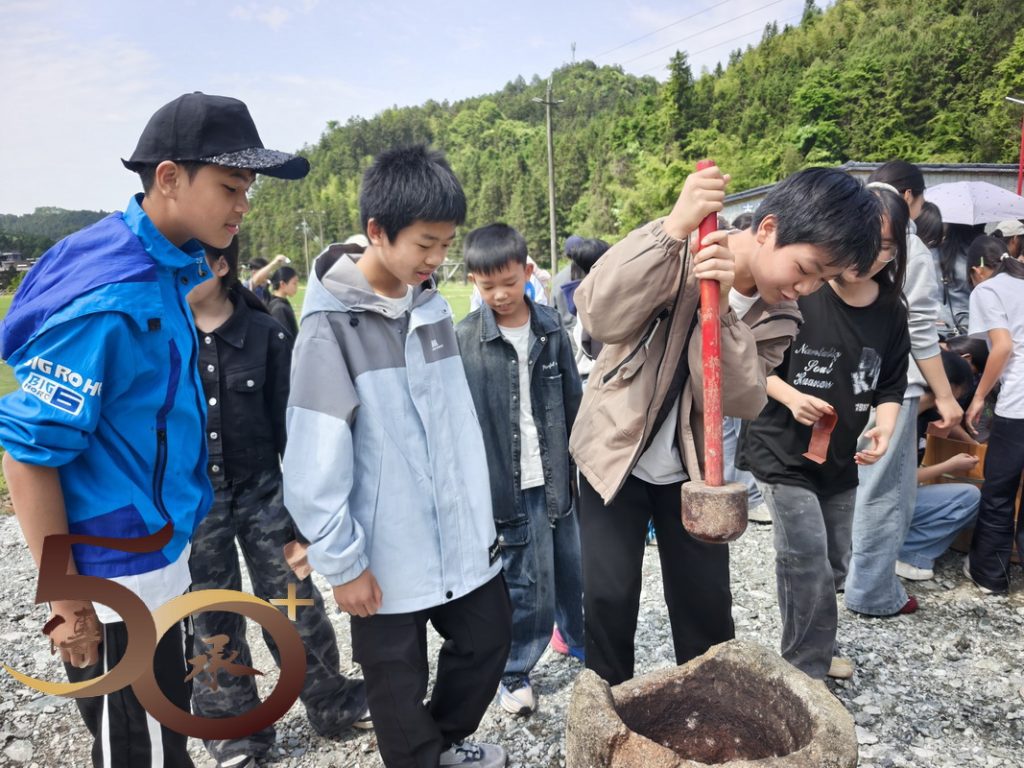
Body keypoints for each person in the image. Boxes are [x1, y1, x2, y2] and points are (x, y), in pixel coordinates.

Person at [0, 91, 309, 768]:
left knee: (164, 732)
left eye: (248, 189)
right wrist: (69, 600)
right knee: (137, 748)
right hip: (117, 575)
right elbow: (27, 454)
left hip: (157, 554)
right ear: (168, 178)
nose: (243, 205)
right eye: (230, 186)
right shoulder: (113, 296)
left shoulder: (165, 267)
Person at [571, 165, 882, 686]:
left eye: (823, 280)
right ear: (768, 229)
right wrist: (672, 229)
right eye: (806, 269)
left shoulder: (782, 316)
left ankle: (707, 713)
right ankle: (606, 712)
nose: (806, 288)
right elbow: (598, 317)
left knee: (706, 610)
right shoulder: (677, 245)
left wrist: (726, 309)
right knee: (608, 599)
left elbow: (740, 399)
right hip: (612, 456)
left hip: (698, 476)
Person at [282, 145, 512, 768]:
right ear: (377, 231)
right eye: (426, 244)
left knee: (489, 638)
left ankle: (440, 744)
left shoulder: (431, 305)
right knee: (395, 679)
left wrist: (481, 519)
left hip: (460, 537)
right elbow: (312, 464)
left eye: (446, 244)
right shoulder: (328, 330)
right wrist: (342, 563)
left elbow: (454, 426)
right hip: (382, 550)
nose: (437, 258)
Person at [186, 239, 368, 767]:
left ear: (221, 265)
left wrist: (308, 516)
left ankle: (331, 702)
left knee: (293, 604)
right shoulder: (166, 334)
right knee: (210, 616)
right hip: (198, 503)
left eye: (190, 264)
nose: (175, 274)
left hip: (266, 495)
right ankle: (234, 731)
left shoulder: (266, 333)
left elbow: (297, 431)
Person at [738, 186, 911, 680]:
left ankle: (813, 645)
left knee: (834, 562)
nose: (870, 257)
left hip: (839, 459)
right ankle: (804, 672)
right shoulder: (801, 291)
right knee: (805, 557)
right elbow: (752, 364)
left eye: (885, 247)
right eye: (862, 244)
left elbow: (891, 384)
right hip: (780, 450)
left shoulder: (890, 311)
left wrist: (884, 428)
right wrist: (792, 398)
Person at [455, 223, 584, 716]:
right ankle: (515, 670)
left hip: (556, 475)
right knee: (527, 581)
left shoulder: (550, 326)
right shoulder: (465, 339)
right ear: (473, 281)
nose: (500, 294)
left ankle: (576, 639)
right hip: (507, 483)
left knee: (571, 567)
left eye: (509, 282)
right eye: (487, 286)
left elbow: (573, 398)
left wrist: (580, 462)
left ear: (527, 272)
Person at [843, 167, 964, 619]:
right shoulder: (906, 243)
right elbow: (921, 330)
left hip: (845, 377)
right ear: (909, 195)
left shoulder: (847, 224)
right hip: (895, 385)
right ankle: (871, 590)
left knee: (853, 482)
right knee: (886, 492)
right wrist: (946, 397)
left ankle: (847, 574)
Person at [963, 235, 1024, 595]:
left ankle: (990, 575)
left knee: (1000, 489)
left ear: (977, 270)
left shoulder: (987, 290)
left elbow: (1002, 347)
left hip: (1019, 403)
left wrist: (978, 397)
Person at [897, 349, 981, 581]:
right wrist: (949, 465)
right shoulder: (902, 419)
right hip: (879, 502)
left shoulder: (914, 407)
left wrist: (973, 443)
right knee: (969, 498)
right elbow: (901, 478)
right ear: (948, 387)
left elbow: (950, 423)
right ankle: (908, 554)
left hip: (881, 500)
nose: (960, 399)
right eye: (960, 392)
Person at [267, 264, 300, 336]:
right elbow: (284, 339)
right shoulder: (279, 308)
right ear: (282, 284)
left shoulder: (281, 303)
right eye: (294, 283)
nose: (296, 287)